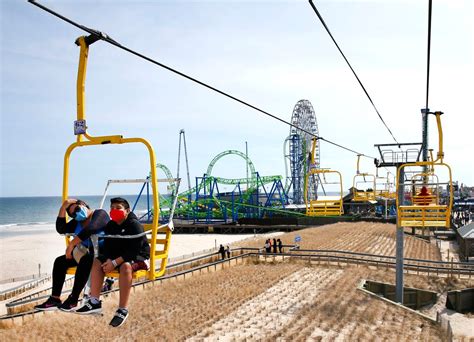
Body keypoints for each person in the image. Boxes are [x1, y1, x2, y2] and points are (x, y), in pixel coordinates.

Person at [76, 197, 150, 328]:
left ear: (127, 210)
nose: (114, 210)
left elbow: (134, 251)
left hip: (138, 257)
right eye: (112, 208)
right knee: (98, 262)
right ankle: (94, 301)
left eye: (118, 208)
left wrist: (114, 263)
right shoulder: (111, 225)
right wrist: (109, 259)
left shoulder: (134, 225)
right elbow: (108, 246)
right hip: (118, 255)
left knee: (126, 267)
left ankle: (122, 309)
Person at [35, 199, 109, 312]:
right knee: (60, 262)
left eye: (77, 209)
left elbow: (91, 228)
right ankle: (55, 299)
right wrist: (63, 208)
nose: (77, 214)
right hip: (86, 252)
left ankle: (73, 299)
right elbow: (61, 229)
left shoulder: (100, 214)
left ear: (83, 204)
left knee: (86, 260)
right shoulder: (77, 222)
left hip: (103, 254)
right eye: (73, 214)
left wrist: (71, 245)